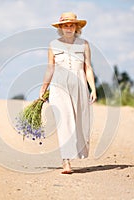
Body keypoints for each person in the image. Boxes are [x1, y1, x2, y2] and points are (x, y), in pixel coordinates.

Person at [39, 12, 97, 174]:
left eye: (72, 24)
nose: (69, 27)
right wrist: (44, 88)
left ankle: (75, 153)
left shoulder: (84, 44)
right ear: (61, 28)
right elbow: (50, 68)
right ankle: (66, 162)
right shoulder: (53, 45)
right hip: (59, 88)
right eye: (65, 25)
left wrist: (93, 88)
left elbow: (88, 68)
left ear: (77, 27)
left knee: (79, 123)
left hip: (79, 87)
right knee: (64, 122)